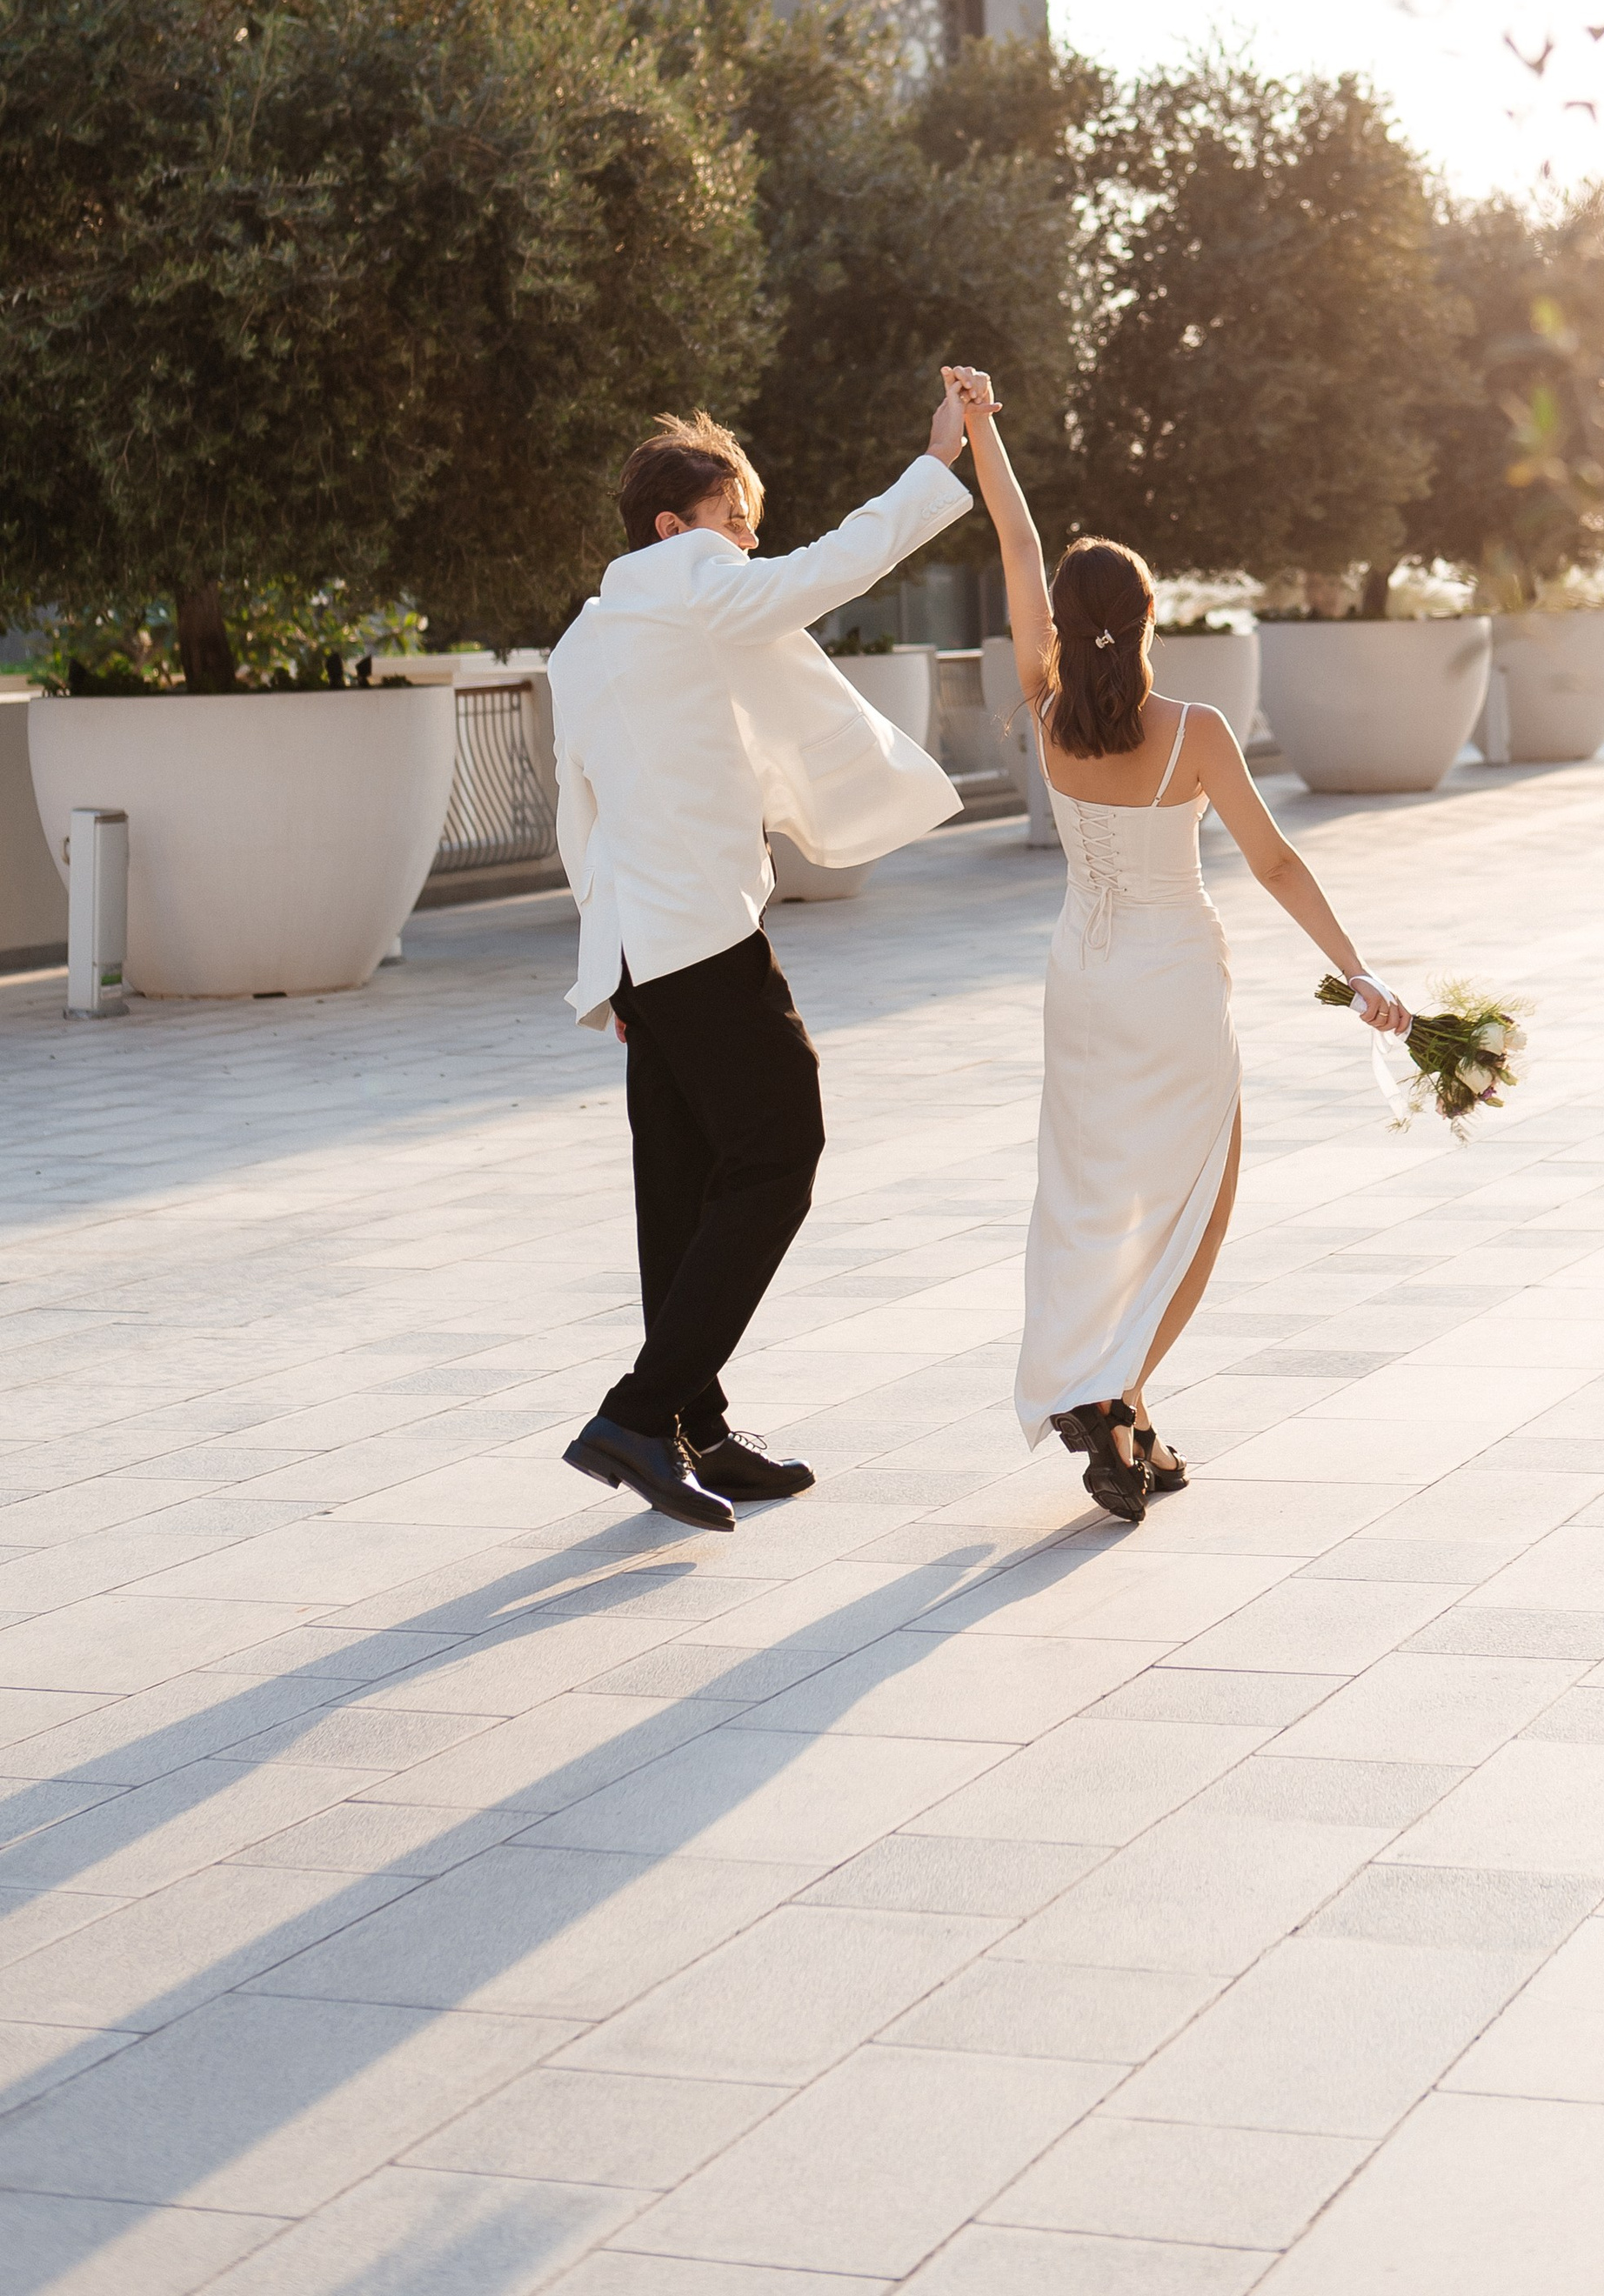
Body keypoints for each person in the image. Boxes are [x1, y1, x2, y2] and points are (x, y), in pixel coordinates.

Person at [950, 366, 1412, 1525]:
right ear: (1151, 619)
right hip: (1171, 984)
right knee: (1196, 1200)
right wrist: (1359, 970)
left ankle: (1128, 1414)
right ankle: (1107, 1396)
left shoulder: (1046, 707)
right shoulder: (1195, 733)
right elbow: (1275, 863)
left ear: (1066, 621)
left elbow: (1015, 538)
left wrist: (979, 429)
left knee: (1092, 1193)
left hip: (1079, 979)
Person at [548, 389, 975, 1531]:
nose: (750, 540)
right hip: (697, 935)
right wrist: (934, 465)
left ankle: (693, 1421)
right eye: (734, 517)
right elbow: (821, 572)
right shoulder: (686, 583)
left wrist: (615, 965)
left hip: (646, 944)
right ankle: (639, 1414)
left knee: (678, 1188)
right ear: (670, 529)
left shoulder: (588, 636)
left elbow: (572, 810)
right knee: (784, 1142)